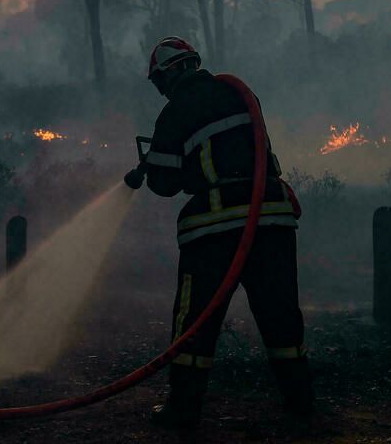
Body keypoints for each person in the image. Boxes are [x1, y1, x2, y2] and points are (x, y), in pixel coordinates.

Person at [125, 36, 313, 429]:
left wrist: (152, 165)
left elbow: (164, 183)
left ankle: (183, 408)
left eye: (160, 81)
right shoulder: (240, 94)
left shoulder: (176, 111)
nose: (161, 90)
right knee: (279, 313)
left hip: (215, 227)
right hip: (272, 218)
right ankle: (300, 400)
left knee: (195, 321)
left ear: (173, 72)